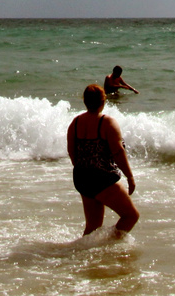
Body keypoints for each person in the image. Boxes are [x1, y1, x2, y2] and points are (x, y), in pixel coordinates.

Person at [67, 83, 139, 237]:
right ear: (103, 101)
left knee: (92, 227)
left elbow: (72, 152)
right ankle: (107, 246)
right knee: (131, 216)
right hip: (102, 178)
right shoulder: (107, 122)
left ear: (85, 101)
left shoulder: (75, 123)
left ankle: (85, 253)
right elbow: (118, 152)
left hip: (81, 177)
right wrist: (130, 177)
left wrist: (84, 171)